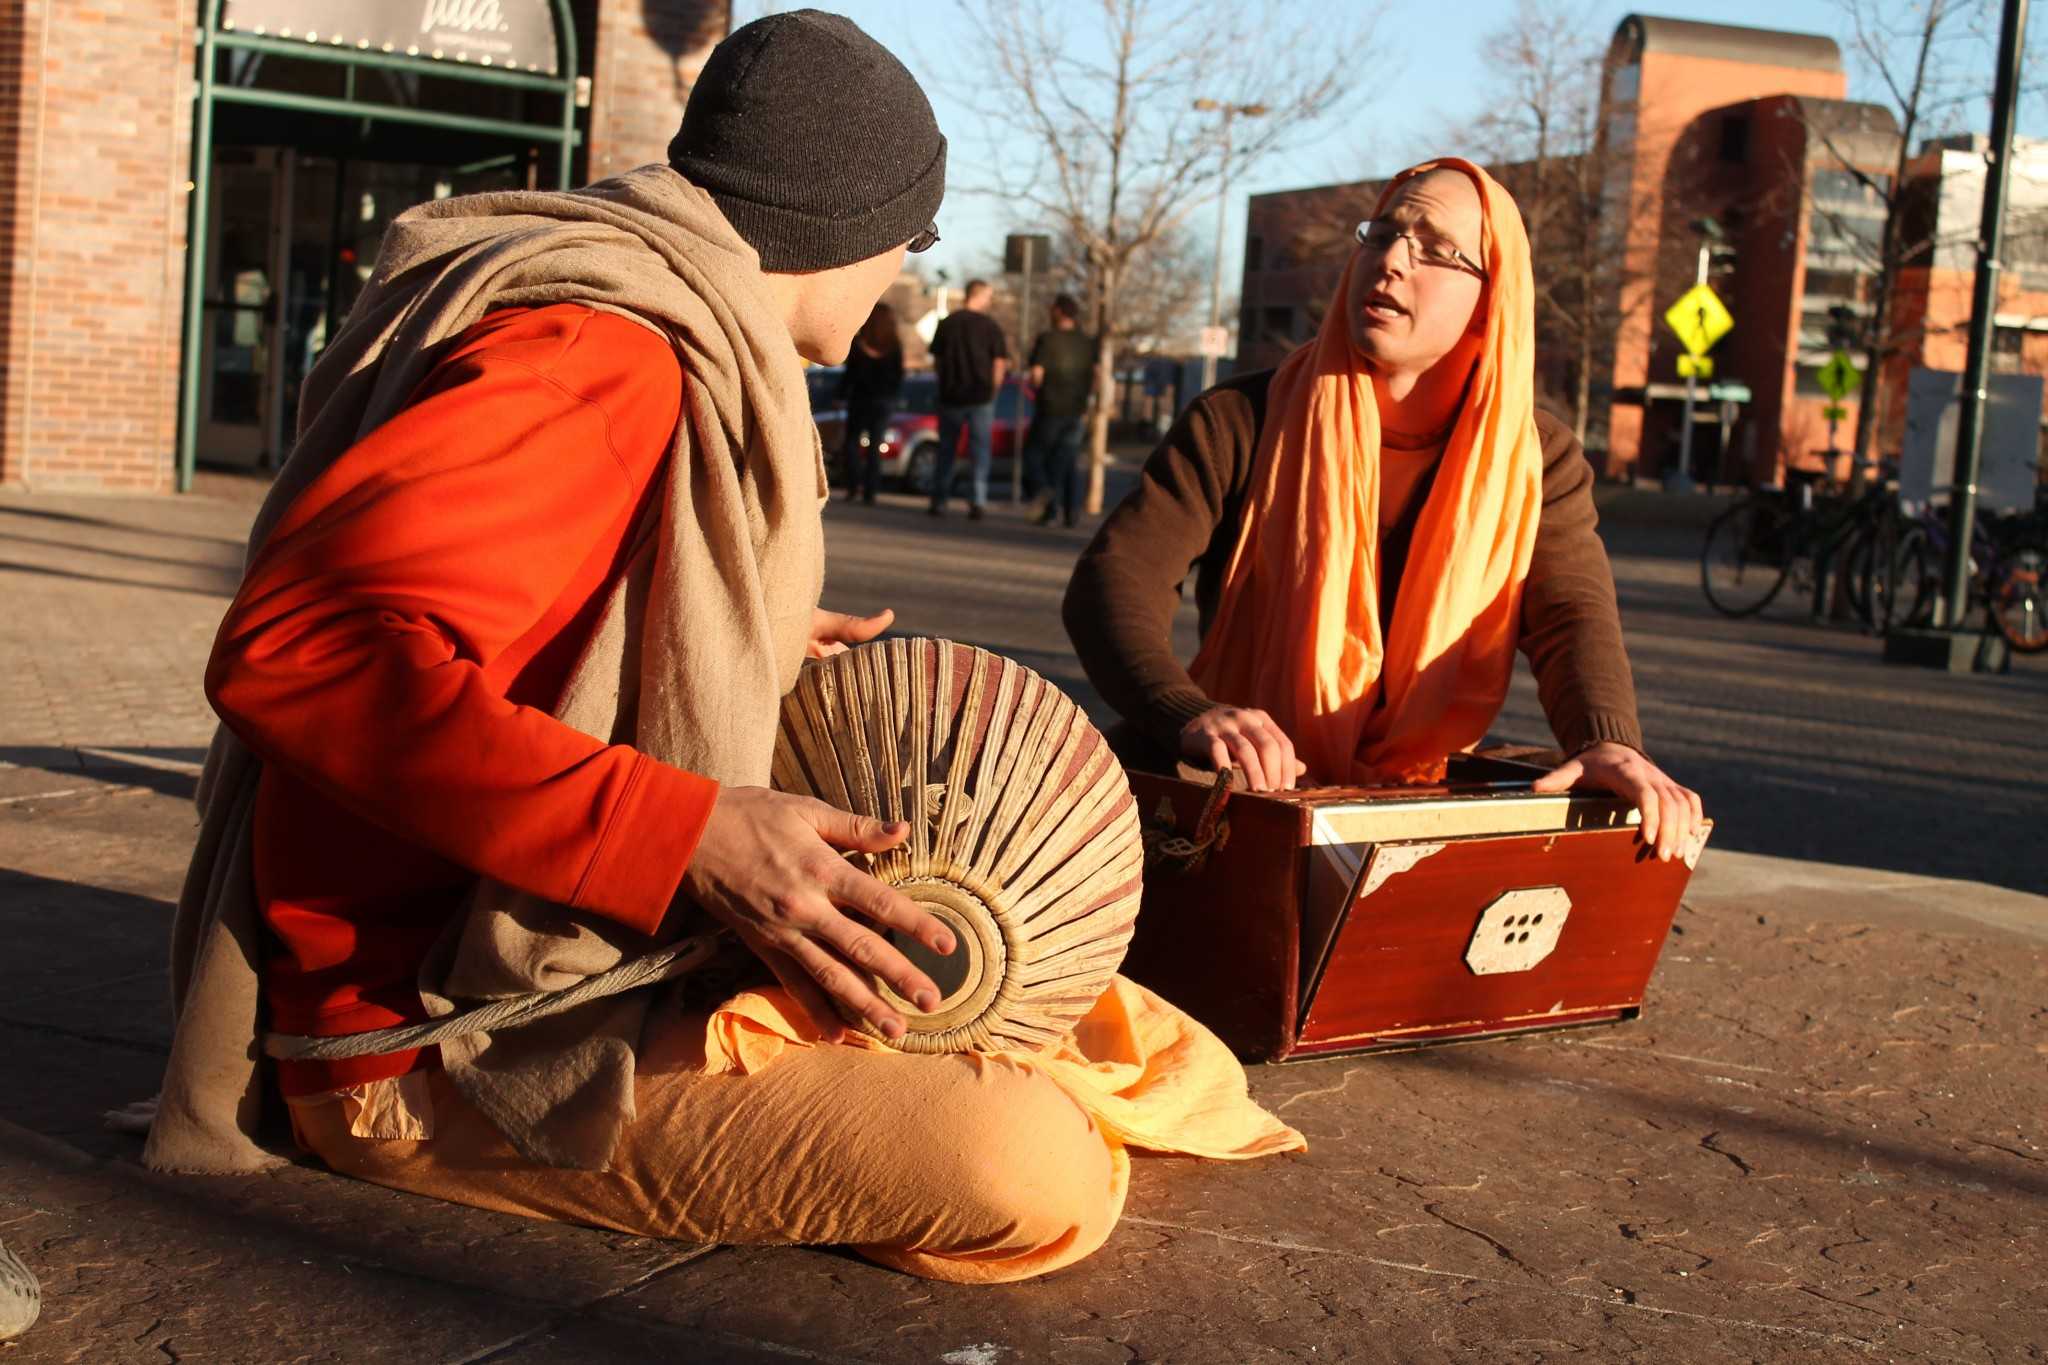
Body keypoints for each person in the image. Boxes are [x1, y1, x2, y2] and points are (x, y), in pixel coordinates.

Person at [148, 9, 1296, 1287]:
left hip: (514, 957)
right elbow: (303, 651)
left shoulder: (647, 332)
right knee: (1028, 1160)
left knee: (1090, 1018)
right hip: (433, 1032)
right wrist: (683, 831)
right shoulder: (596, 359)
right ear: (845, 226)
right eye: (911, 242)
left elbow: (527, 588)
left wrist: (709, 623)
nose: (898, 282)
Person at [1063, 158, 1704, 861]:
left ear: (1492, 299)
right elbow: (1114, 583)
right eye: (1382, 234)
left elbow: (1570, 614)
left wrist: (1608, 740)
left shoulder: (1538, 458)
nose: (1393, 261)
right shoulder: (1242, 418)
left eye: (1434, 248)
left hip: (1412, 813)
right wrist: (1188, 712)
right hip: (1232, 800)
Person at [926, 279, 1008, 519]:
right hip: (980, 396)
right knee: (980, 450)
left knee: (946, 450)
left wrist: (944, 381)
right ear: (979, 295)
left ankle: (939, 499)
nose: (990, 301)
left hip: (951, 395)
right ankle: (977, 500)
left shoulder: (947, 324)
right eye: (989, 296)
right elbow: (999, 362)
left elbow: (937, 360)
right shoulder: (990, 327)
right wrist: (993, 390)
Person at [1023, 293, 1097, 528]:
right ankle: (1071, 513)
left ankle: (1046, 497)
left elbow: (1037, 374)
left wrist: (1035, 387)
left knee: (1035, 456)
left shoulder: (1048, 339)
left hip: (1050, 407)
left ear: (1058, 312)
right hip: (1076, 409)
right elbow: (1095, 375)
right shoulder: (1087, 342)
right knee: (1067, 460)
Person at [837, 301, 904, 504]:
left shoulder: (858, 344)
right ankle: (871, 491)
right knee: (875, 444)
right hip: (883, 400)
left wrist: (840, 395)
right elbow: (899, 375)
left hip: (860, 398)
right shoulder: (894, 346)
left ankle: (852, 485)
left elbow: (849, 375)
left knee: (852, 442)